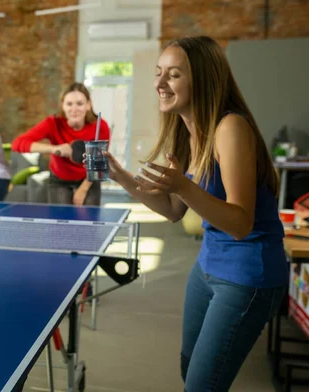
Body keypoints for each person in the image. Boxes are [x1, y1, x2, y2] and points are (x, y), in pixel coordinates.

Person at [103, 35, 287, 391]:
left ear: (202, 79)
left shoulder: (230, 128)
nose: (159, 84)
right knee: (192, 372)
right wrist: (120, 176)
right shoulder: (189, 133)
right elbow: (174, 210)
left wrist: (182, 185)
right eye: (159, 73)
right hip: (207, 267)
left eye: (172, 75)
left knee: (202, 386)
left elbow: (239, 222)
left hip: (248, 276)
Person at [11, 82, 110, 206]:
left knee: (88, 221)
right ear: (63, 106)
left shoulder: (101, 127)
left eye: (79, 103)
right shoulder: (52, 124)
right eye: (69, 104)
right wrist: (54, 149)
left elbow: (98, 165)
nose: (74, 109)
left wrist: (82, 190)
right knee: (61, 222)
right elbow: (18, 144)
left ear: (88, 105)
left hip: (88, 179)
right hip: (60, 179)